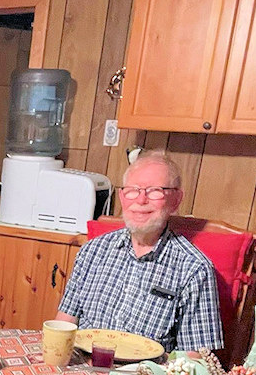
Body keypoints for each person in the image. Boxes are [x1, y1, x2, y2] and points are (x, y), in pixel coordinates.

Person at [55, 151, 223, 352]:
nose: (141, 200)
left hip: (146, 371)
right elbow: (64, 324)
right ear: (122, 197)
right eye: (133, 190)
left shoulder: (195, 269)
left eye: (155, 191)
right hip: (83, 363)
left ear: (176, 200)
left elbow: (196, 356)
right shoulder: (92, 251)